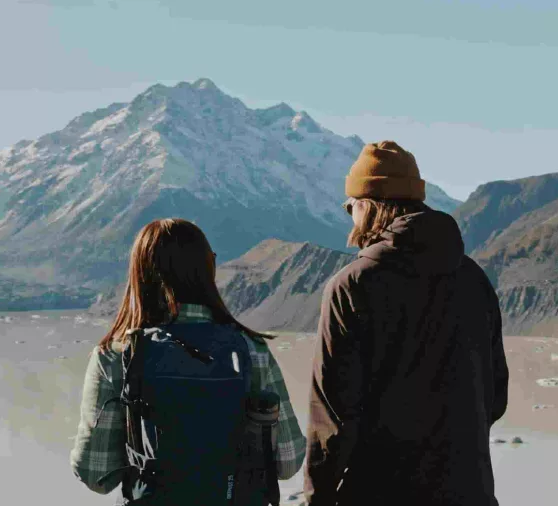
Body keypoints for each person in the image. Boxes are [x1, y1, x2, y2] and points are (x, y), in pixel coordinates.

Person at [304, 141, 509, 505]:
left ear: (367, 205)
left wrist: (316, 497)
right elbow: (494, 396)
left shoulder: (352, 285)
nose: (349, 214)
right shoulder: (474, 279)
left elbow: (333, 417)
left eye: (350, 205)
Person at [70, 218, 306, 502]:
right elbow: (288, 461)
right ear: (207, 270)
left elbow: (96, 474)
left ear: (139, 274)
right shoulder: (249, 350)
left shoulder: (115, 356)